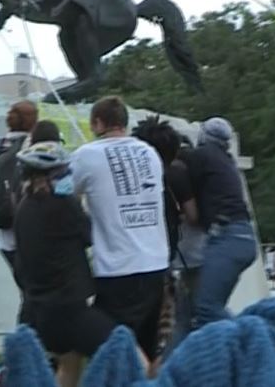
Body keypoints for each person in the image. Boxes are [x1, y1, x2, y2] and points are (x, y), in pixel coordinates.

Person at [13, 140, 145, 387]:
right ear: (46, 177)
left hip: (43, 310)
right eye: (62, 172)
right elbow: (89, 235)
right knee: (128, 352)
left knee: (68, 367)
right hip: (70, 309)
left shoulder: (23, 208)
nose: (68, 177)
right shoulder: (63, 205)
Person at [69, 96, 170, 365]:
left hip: (118, 266)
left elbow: (65, 197)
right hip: (156, 262)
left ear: (98, 123)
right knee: (145, 349)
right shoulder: (149, 153)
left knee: (111, 351)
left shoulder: (86, 155)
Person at [131, 115, 200, 361]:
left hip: (129, 265)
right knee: (162, 334)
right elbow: (192, 214)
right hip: (162, 262)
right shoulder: (175, 174)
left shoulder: (130, 181)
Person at [182, 117, 258, 330]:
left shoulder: (203, 156)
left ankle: (254, 340)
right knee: (207, 311)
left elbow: (177, 169)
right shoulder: (225, 160)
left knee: (206, 308)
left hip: (227, 237)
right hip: (240, 237)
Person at [0, 101, 39, 321]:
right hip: (28, 236)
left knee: (27, 293)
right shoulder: (32, 147)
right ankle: (25, 344)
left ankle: (28, 342)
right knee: (33, 295)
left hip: (5, 237)